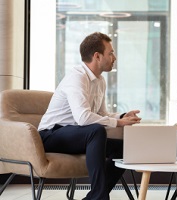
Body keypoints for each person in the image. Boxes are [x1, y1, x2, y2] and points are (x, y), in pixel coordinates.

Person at [38, 32, 141, 200]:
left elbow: (101, 114)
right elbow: (84, 118)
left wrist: (122, 116)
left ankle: (94, 196)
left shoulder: (100, 80)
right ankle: (99, 197)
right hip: (51, 135)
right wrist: (118, 122)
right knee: (96, 131)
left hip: (77, 135)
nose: (114, 57)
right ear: (97, 56)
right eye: (111, 53)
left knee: (125, 149)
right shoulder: (77, 78)